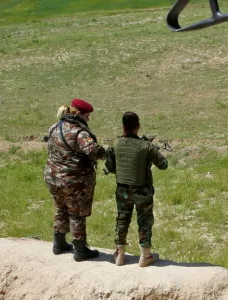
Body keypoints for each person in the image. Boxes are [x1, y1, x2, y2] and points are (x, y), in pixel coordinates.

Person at [44, 98, 107, 261]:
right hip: (73, 180)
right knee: (76, 212)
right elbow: (93, 151)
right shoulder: (79, 132)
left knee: (61, 208)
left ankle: (59, 244)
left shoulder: (54, 127)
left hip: (52, 177)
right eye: (87, 115)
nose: (88, 119)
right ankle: (80, 250)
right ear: (78, 114)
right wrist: (106, 153)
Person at [104, 111, 168, 267]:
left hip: (122, 190)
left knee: (122, 219)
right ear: (138, 127)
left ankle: (119, 255)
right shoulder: (145, 146)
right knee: (144, 222)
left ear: (123, 127)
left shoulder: (115, 144)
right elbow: (163, 165)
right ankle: (145, 256)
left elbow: (110, 167)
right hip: (143, 192)